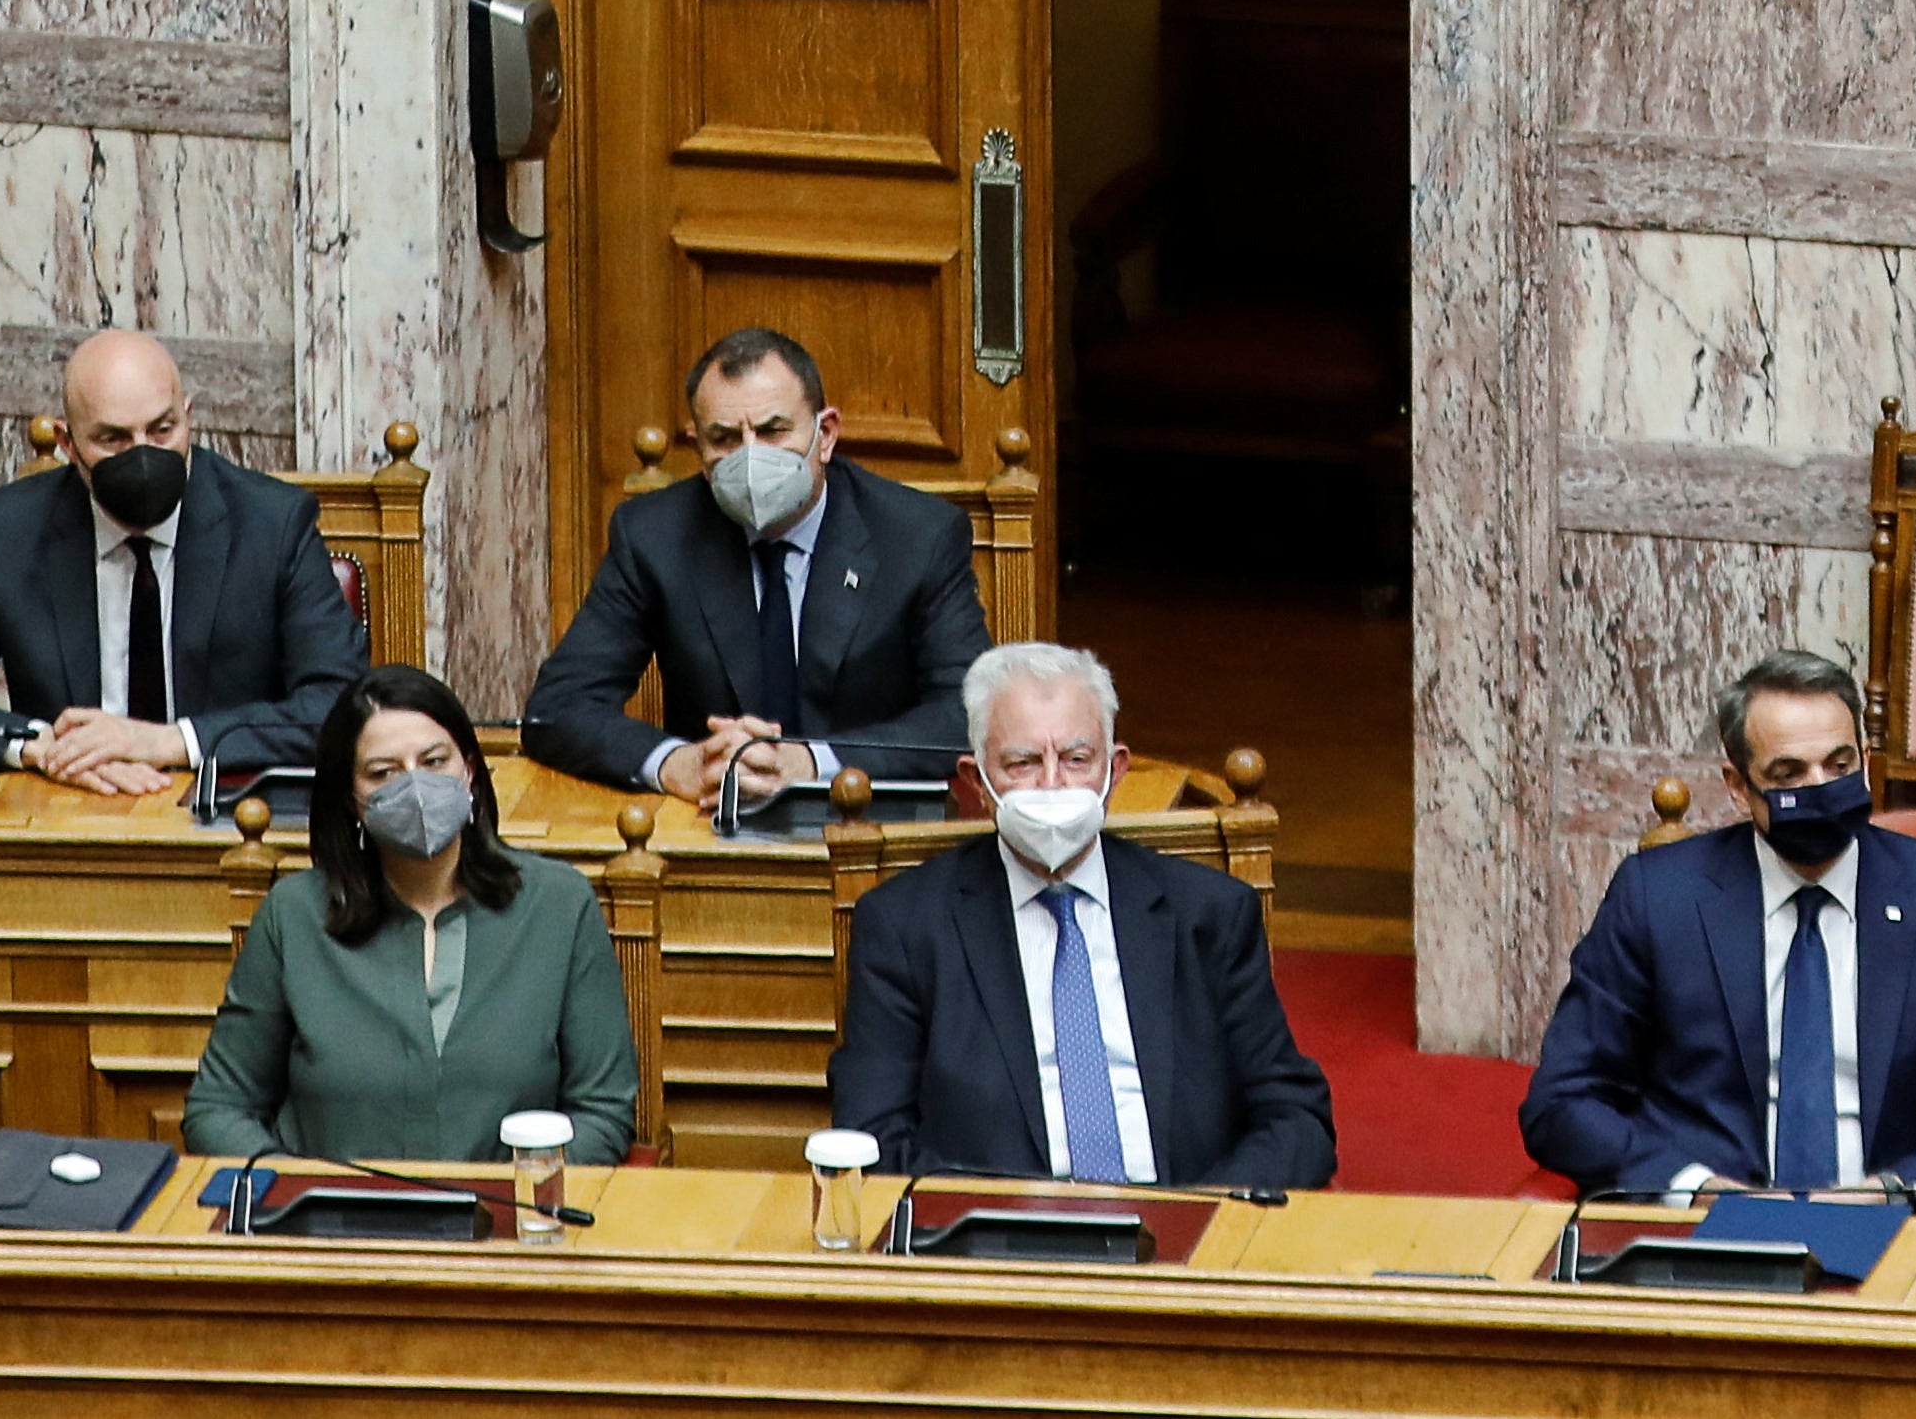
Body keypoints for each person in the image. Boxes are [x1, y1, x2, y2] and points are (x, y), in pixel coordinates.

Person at [1518, 645, 1916, 1200]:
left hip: (1890, 1227)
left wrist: (1896, 1189)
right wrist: (1694, 1188)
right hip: (1711, 1233)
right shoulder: (1659, 897)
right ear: (1737, 785)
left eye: (1840, 765)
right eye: (1789, 773)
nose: (1821, 789)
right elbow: (1563, 1102)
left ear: (1867, 760)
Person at [826, 642, 1333, 1189]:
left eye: (1075, 759)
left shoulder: (1209, 915)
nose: (1051, 784)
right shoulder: (904, 927)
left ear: (1114, 772)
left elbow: (1296, 1119)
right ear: (978, 782)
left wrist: (1202, 1219)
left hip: (1183, 1239)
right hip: (1000, 1250)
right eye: (1022, 762)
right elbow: (872, 1135)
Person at [0, 327, 365, 803]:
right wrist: (40, 745)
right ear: (67, 445)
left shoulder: (271, 525)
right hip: (69, 807)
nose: (143, 456)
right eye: (113, 439)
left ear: (188, 418)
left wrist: (166, 742)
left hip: (227, 813)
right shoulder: (11, 531)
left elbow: (341, 706)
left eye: (162, 430)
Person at [183, 664, 639, 1167]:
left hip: (510, 1229)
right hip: (331, 1229)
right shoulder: (293, 917)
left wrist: (515, 1200)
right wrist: (302, 1193)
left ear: (468, 770)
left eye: (434, 761)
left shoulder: (559, 905)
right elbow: (217, 1110)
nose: (415, 786)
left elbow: (603, 1113)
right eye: (383, 772)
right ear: (352, 800)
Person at [523, 327, 989, 814]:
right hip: (712, 817)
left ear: (825, 435)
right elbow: (558, 709)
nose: (750, 456)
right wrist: (675, 762)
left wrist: (809, 762)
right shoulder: (655, 535)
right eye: (724, 438)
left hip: (870, 815)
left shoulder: (918, 536)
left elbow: (967, 716)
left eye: (772, 431)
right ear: (698, 450)